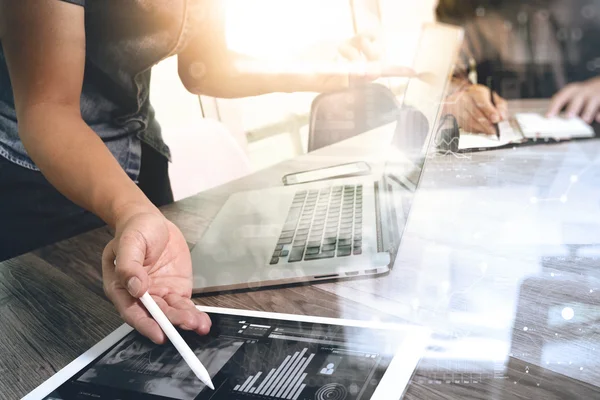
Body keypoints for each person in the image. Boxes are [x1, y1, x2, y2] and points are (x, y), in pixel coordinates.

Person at [0, 0, 398, 343]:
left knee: (163, 315)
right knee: (60, 345)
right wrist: (131, 210)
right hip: (41, 174)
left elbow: (207, 68)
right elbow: (47, 109)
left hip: (140, 149)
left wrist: (323, 70)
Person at [436, 0, 600, 135]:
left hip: (589, 134)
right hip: (500, 137)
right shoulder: (461, 5)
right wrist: (458, 93)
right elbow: (436, 73)